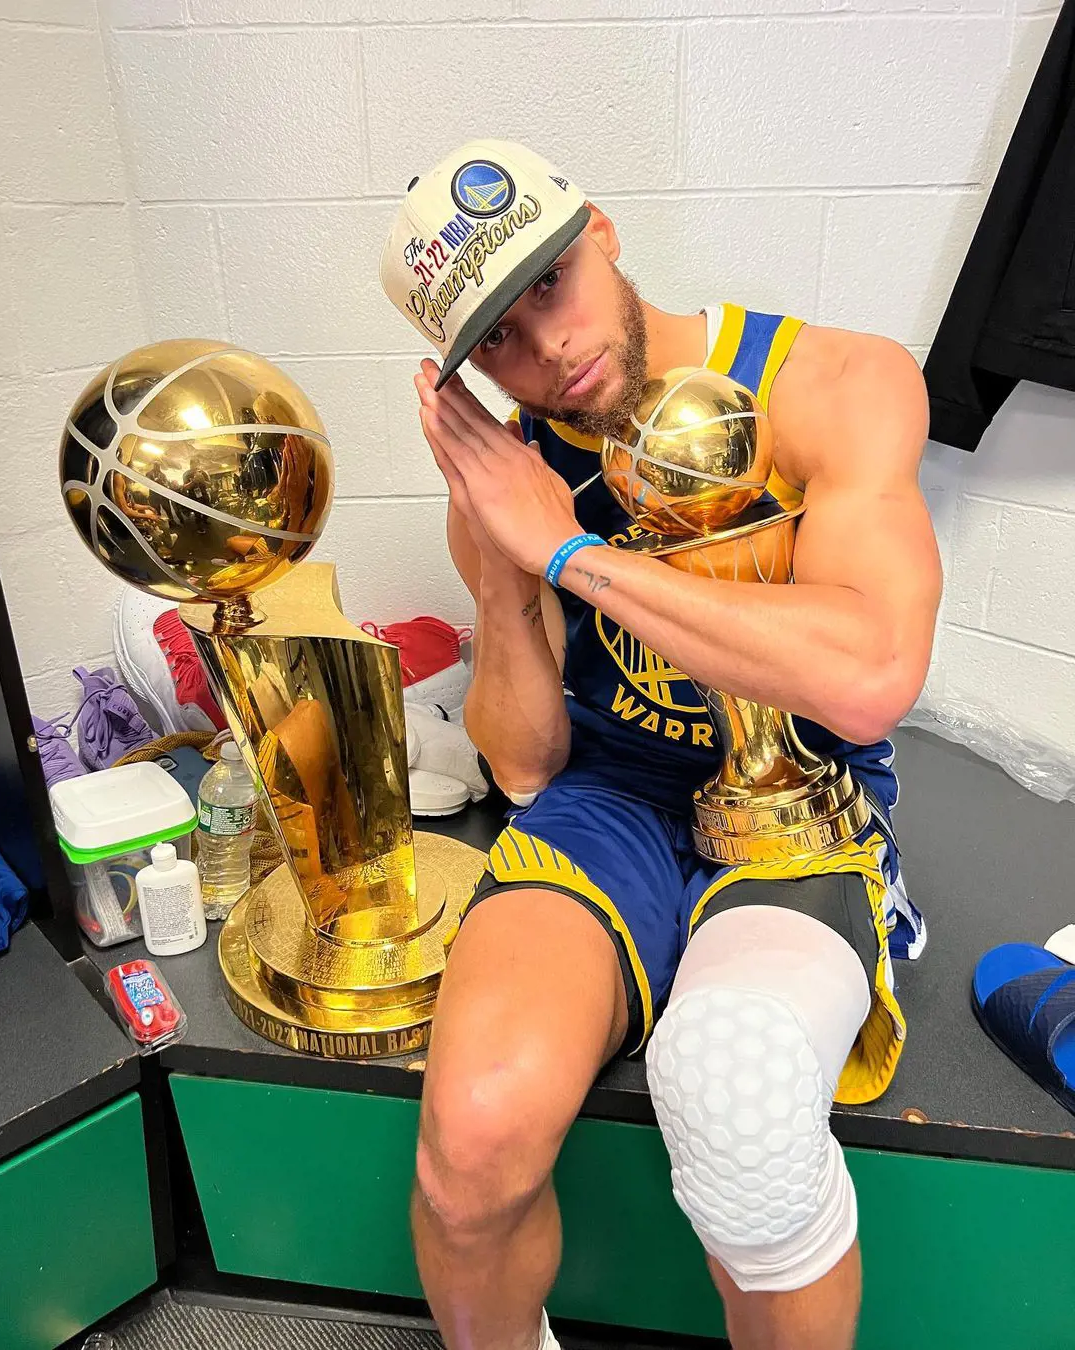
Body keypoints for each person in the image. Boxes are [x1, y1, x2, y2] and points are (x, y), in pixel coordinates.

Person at [379, 140, 940, 1350]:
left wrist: (576, 555)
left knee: (732, 1089)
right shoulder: (524, 473)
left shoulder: (837, 381)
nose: (548, 350)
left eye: (549, 285)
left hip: (805, 788)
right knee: (469, 1140)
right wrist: (502, 559)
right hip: (613, 789)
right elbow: (524, 768)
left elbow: (871, 678)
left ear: (606, 232)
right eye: (499, 343)